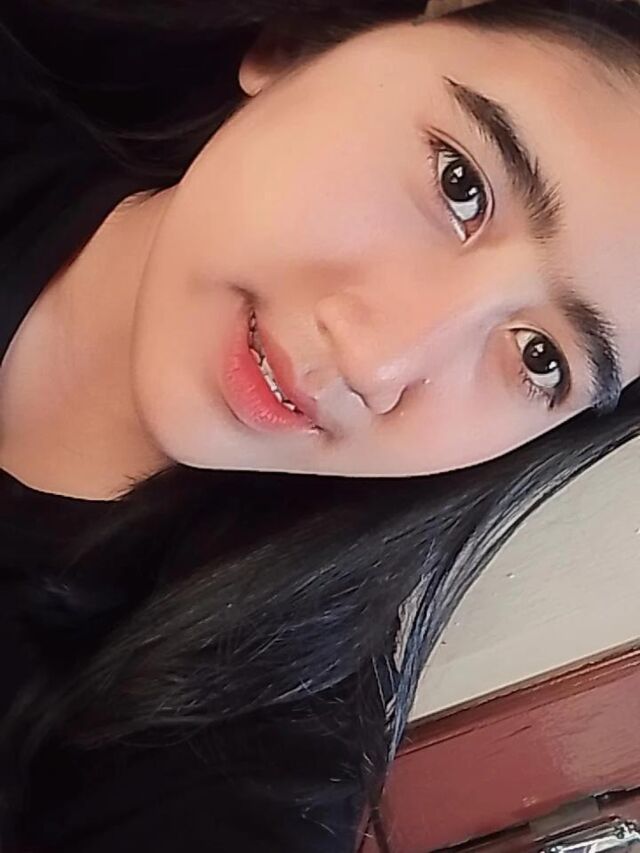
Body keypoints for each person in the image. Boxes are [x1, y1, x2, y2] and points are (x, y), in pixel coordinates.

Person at [0, 0, 639, 850]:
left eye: (539, 357)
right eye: (460, 184)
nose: (379, 364)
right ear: (300, 44)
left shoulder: (236, 761)